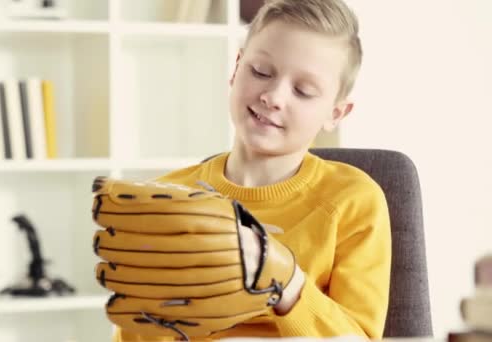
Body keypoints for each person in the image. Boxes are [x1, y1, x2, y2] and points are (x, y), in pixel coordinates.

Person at [114, 0, 391, 340]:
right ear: (236, 68)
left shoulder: (353, 201)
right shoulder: (164, 198)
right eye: (261, 72)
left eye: (303, 91)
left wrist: (285, 279)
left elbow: (358, 337)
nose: (273, 96)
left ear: (335, 113)